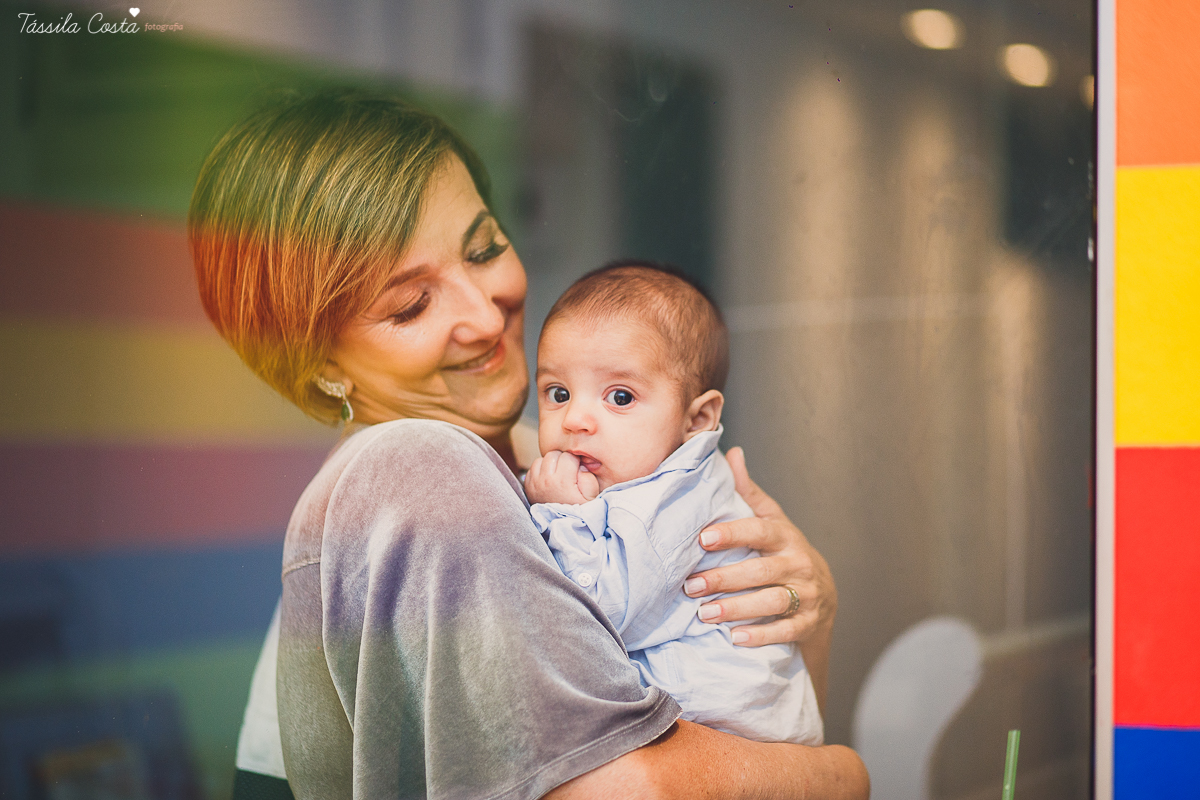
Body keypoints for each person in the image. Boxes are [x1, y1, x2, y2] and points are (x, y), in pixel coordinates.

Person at [188, 89, 867, 800]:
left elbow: (750, 725)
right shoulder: (416, 474)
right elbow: (630, 788)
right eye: (411, 304)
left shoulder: (543, 455)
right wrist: (844, 776)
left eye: (483, 250)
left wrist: (799, 618)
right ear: (321, 364)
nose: (485, 315)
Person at [524, 263, 822, 746]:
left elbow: (594, 619)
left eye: (619, 396)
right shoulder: (639, 474)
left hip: (740, 740)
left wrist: (565, 512)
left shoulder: (676, 502)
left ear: (697, 417)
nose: (575, 417)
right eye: (558, 393)